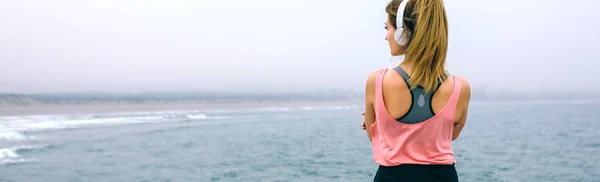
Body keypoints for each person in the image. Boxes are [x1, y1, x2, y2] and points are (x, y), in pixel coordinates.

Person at [360, 0, 472, 181]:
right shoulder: (461, 87)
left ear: (402, 33)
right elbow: (449, 136)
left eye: (387, 28)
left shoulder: (378, 81)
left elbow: (376, 140)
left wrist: (381, 122)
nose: (386, 36)